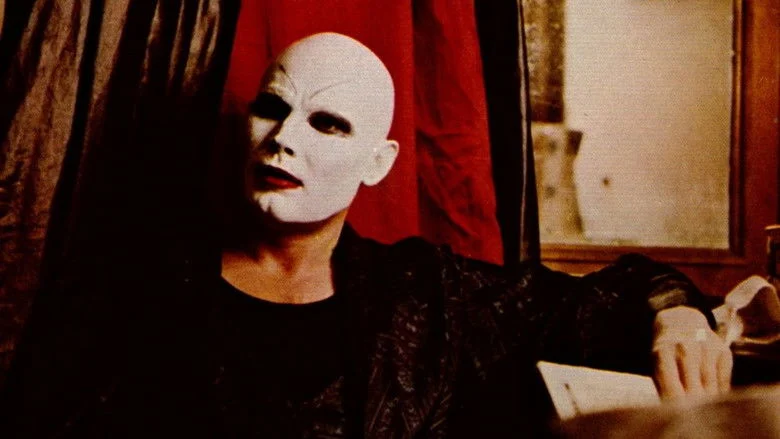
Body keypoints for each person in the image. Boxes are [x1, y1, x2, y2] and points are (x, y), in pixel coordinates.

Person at [1, 32, 732, 438]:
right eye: (272, 108)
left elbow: (619, 292)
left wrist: (676, 314)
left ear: (377, 162)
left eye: (327, 123)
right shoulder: (136, 289)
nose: (284, 138)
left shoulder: (428, 296)